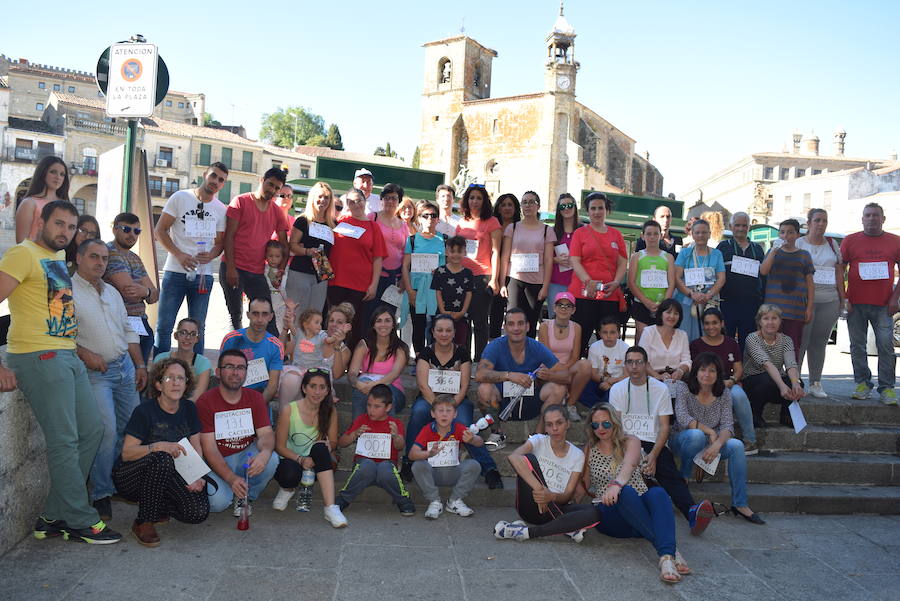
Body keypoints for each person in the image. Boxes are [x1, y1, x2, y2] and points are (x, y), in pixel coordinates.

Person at [0, 200, 122, 543]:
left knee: (92, 430)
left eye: (71, 227)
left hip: (66, 355)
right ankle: (80, 519)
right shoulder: (21, 255)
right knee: (65, 440)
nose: (65, 232)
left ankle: (53, 515)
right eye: (59, 224)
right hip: (38, 356)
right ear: (41, 220)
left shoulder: (55, 258)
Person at [494, 404, 692, 584]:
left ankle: (666, 555)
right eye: (596, 425)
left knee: (657, 494)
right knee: (619, 497)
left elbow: (630, 464)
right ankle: (669, 551)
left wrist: (616, 485)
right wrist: (565, 508)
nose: (601, 429)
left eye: (606, 423)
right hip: (615, 517)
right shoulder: (588, 451)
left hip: (641, 514)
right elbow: (580, 490)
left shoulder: (630, 441)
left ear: (614, 422)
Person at [72, 238, 145, 521]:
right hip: (96, 373)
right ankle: (101, 492)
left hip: (125, 367)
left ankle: (115, 481)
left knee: (132, 429)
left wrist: (139, 364)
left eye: (104, 258)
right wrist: (83, 352)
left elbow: (128, 329)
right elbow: (58, 334)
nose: (100, 263)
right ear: (79, 258)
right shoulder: (67, 291)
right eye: (94, 257)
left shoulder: (112, 292)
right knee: (107, 432)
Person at [609, 346, 713, 535]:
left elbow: (665, 427)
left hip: (652, 441)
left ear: (647, 364)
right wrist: (636, 454)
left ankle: (691, 512)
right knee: (634, 473)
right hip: (627, 442)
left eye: (639, 362)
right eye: (630, 362)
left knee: (668, 470)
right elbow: (617, 427)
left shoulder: (659, 389)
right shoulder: (617, 389)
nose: (634, 367)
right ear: (625, 365)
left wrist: (654, 455)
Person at [113, 358, 209, 546]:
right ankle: (144, 521)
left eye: (181, 378)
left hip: (171, 472)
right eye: (169, 378)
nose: (176, 383)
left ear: (187, 383)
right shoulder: (144, 411)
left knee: (197, 512)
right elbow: (127, 453)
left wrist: (198, 475)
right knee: (162, 457)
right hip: (131, 477)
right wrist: (158, 446)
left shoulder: (189, 408)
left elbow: (196, 445)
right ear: (158, 384)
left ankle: (158, 506)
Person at [404, 314, 502, 488]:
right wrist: (439, 408)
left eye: (448, 330)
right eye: (440, 330)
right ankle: (408, 461)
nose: (444, 334)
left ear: (454, 332)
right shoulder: (426, 353)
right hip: (429, 399)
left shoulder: (462, 353)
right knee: (418, 413)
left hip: (457, 401)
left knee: (464, 425)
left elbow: (464, 386)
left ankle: (490, 470)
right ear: (433, 332)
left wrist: (450, 408)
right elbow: (422, 384)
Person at [671, 354, 764, 524]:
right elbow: (683, 418)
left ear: (718, 373)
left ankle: (740, 503)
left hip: (711, 443)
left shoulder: (724, 393)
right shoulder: (684, 388)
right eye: (703, 370)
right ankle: (684, 475)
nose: (707, 374)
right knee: (697, 435)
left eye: (712, 370)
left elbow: (728, 426)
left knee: (736, 446)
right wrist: (710, 432)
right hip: (683, 440)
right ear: (696, 372)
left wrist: (717, 444)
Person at [153, 162, 228, 355]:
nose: (216, 182)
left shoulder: (221, 209)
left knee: (198, 330)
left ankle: (196, 373)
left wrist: (210, 255)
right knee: (164, 326)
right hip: (174, 272)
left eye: (221, 180)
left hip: (203, 276)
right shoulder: (180, 197)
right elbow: (160, 230)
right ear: (205, 174)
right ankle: (161, 369)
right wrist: (179, 254)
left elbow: (220, 243)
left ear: (223, 185)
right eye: (214, 176)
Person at [197, 349, 279, 514]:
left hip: (244, 456)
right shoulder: (205, 401)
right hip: (217, 460)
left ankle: (245, 494)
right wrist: (230, 478)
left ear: (246, 373)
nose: (235, 372)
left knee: (271, 459)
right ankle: (230, 487)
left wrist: (265, 453)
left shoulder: (255, 398)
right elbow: (209, 449)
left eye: (241, 368)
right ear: (218, 372)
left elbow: (266, 434)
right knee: (218, 503)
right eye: (229, 366)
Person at [493, 404, 589, 541]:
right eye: (549, 425)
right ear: (545, 428)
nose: (555, 428)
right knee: (528, 459)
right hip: (531, 506)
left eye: (559, 423)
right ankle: (567, 527)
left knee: (593, 511)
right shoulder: (538, 440)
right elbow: (513, 457)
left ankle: (521, 531)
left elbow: (567, 495)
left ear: (568, 423)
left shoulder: (578, 455)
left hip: (555, 508)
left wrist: (550, 497)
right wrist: (540, 490)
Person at [271, 368, 347, 526]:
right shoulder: (289, 410)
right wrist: (300, 459)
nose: (317, 391)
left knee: (321, 448)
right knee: (289, 474)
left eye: (322, 387)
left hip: (316, 457)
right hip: (291, 457)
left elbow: (333, 442)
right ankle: (287, 489)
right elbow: (279, 446)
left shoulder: (330, 411)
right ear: (304, 388)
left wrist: (328, 445)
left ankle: (330, 508)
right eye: (312, 386)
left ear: (328, 391)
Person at [840, 203, 900, 404]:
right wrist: (844, 298)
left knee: (885, 346)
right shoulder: (850, 240)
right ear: (862, 219)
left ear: (883, 219)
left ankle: (887, 388)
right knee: (857, 345)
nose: (872, 218)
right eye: (868, 215)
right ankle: (863, 383)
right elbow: (840, 269)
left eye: (876, 215)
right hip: (855, 303)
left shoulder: (895, 241)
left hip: (884, 305)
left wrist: (895, 298)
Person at [221, 167, 291, 335]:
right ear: (261, 180)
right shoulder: (240, 201)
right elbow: (228, 236)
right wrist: (231, 268)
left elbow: (284, 243)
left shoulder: (276, 211)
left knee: (268, 317)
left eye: (276, 188)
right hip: (233, 267)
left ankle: (270, 357)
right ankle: (234, 357)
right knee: (235, 316)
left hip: (257, 271)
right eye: (270, 184)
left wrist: (280, 269)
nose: (272, 190)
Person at [476, 307, 568, 426]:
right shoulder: (495, 346)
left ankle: (539, 434)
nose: (516, 328)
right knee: (484, 389)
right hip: (501, 399)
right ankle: (496, 432)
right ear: (504, 327)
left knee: (558, 388)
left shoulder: (537, 347)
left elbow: (565, 375)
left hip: (532, 399)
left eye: (520, 323)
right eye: (511, 324)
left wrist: (550, 375)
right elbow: (479, 375)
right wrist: (509, 376)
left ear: (528, 326)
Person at [336, 384, 415, 515]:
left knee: (385, 469)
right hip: (364, 464)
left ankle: (403, 499)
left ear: (388, 407)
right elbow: (342, 442)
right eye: (369, 405)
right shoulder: (361, 420)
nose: (371, 410)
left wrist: (396, 436)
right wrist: (354, 433)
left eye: (377, 406)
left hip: (386, 465)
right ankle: (344, 498)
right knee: (367, 465)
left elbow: (400, 447)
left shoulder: (394, 423)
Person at [568, 192, 627, 358]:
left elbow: (623, 262)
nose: (597, 212)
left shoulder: (616, 234)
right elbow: (575, 260)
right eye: (593, 208)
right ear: (588, 211)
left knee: (609, 342)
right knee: (579, 340)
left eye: (600, 208)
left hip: (609, 295)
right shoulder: (580, 233)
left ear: (606, 210)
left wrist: (616, 282)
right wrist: (588, 281)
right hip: (583, 294)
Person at [690, 308, 757, 454]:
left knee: (739, 396)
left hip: (727, 383)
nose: (710, 327)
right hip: (704, 385)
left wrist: (732, 381)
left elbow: (738, 369)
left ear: (722, 323)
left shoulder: (731, 343)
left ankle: (750, 441)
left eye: (714, 323)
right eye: (707, 323)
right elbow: (694, 371)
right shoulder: (695, 345)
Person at [327, 187, 387, 351]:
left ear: (365, 200)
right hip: (336, 281)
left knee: (354, 324)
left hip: (360, 284)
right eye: (351, 202)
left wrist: (374, 285)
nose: (356, 204)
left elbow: (378, 259)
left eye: (358, 200)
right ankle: (331, 359)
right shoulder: (339, 222)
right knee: (333, 322)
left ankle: (352, 360)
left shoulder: (373, 227)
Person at [409, 395, 484, 519]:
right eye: (440, 411)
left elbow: (480, 442)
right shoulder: (427, 430)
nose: (444, 415)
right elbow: (412, 454)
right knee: (418, 465)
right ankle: (435, 501)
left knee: (474, 465)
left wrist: (472, 439)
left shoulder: (459, 428)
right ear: (433, 414)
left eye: (448, 411)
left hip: (454, 472)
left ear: (455, 414)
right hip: (433, 474)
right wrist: (428, 454)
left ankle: (454, 500)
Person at [796, 208, 844, 398]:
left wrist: (843, 299)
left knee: (819, 342)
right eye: (817, 220)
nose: (820, 224)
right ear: (809, 223)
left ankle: (815, 383)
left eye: (824, 220)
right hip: (803, 300)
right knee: (801, 342)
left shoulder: (832, 244)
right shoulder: (799, 243)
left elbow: (840, 273)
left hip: (829, 300)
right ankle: (796, 381)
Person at [103, 212, 159, 364]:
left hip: (141, 322)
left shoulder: (135, 258)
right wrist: (146, 291)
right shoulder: (109, 253)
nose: (132, 235)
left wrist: (145, 291)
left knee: (139, 377)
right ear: (115, 229)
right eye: (126, 229)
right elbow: (130, 293)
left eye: (137, 231)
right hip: (120, 323)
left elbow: (154, 296)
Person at [499, 191, 556, 337]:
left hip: (536, 281)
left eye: (531, 202)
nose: (528, 205)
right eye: (524, 202)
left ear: (538, 206)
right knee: (513, 320)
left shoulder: (547, 230)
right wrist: (502, 283)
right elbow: (505, 256)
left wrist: (545, 286)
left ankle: (528, 357)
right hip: (514, 279)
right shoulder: (512, 228)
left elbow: (549, 260)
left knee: (530, 323)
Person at [457, 185, 503, 360]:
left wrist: (494, 280)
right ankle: (465, 358)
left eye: (478, 198)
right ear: (466, 201)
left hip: (482, 274)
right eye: (471, 198)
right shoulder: (462, 222)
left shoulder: (492, 222)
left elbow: (496, 252)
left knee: (480, 320)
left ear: (484, 201)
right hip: (461, 275)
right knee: (463, 319)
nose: (474, 201)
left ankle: (481, 359)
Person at [742, 304, 804, 428]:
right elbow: (766, 364)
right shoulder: (752, 338)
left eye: (774, 318)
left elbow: (791, 364)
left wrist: (795, 383)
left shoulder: (786, 340)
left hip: (775, 380)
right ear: (759, 321)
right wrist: (782, 386)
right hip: (754, 381)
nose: (770, 322)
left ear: (780, 321)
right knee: (767, 380)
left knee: (798, 382)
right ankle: (755, 414)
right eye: (766, 318)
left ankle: (786, 415)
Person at [760, 219, 814, 362]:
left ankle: (792, 380)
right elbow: (763, 271)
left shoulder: (804, 255)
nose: (786, 236)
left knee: (793, 347)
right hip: (773, 311)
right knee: (770, 347)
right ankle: (772, 381)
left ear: (797, 235)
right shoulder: (773, 252)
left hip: (795, 311)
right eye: (782, 232)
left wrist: (809, 308)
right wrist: (773, 251)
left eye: (790, 232)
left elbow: (810, 284)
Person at [537, 292, 592, 421]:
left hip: (567, 370)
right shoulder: (545, 326)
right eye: (560, 305)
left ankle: (570, 404)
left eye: (568, 306)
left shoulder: (577, 327)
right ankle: (563, 388)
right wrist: (563, 373)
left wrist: (565, 372)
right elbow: (547, 356)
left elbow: (575, 357)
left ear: (573, 310)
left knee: (585, 365)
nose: (563, 308)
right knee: (559, 384)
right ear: (554, 308)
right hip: (549, 369)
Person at [219, 297, 285, 405]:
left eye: (264, 314)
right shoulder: (231, 340)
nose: (259, 319)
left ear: (270, 317)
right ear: (248, 315)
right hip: (230, 398)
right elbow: (222, 376)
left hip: (259, 399)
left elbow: (272, 386)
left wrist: (255, 408)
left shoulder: (275, 346)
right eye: (255, 314)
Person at [400, 201, 445, 357]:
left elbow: (449, 267)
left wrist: (439, 272)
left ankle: (433, 358)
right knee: (418, 325)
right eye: (425, 215)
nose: (430, 219)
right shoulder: (412, 240)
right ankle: (420, 358)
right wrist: (410, 290)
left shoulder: (444, 240)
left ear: (438, 219)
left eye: (433, 215)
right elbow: (405, 266)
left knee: (436, 325)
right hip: (416, 289)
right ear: (419, 218)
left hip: (436, 291)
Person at [348, 306, 408, 418]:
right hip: (366, 387)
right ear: (373, 325)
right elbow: (352, 373)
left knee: (385, 396)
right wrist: (358, 384)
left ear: (393, 324)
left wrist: (373, 385)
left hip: (392, 389)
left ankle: (387, 434)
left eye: (387, 320)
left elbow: (394, 374)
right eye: (379, 321)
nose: (383, 325)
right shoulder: (363, 344)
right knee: (359, 393)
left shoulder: (400, 347)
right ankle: (357, 431)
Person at [717, 212, 765, 350]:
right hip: (728, 304)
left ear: (749, 227)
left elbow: (764, 276)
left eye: (744, 225)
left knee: (749, 343)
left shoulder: (757, 249)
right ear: (731, 226)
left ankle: (746, 371)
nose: (741, 228)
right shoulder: (723, 246)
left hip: (751, 304)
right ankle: (726, 371)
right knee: (726, 341)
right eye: (737, 225)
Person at [287, 181, 336, 315]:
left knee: (315, 317)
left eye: (327, 197)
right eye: (320, 196)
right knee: (297, 317)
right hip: (300, 273)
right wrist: (307, 251)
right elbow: (292, 245)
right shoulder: (303, 221)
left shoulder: (333, 225)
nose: (323, 200)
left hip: (321, 276)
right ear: (313, 198)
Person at [673, 218, 725, 341]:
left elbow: (721, 278)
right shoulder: (685, 253)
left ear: (709, 234)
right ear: (692, 234)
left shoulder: (716, 254)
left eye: (704, 232)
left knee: (706, 337)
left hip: (708, 303)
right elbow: (676, 277)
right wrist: (691, 294)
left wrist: (708, 295)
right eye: (697, 232)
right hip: (686, 301)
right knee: (684, 337)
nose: (701, 235)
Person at [278, 308, 339, 410]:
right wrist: (290, 315)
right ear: (306, 324)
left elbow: (328, 340)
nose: (320, 326)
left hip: (315, 367)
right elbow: (291, 325)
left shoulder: (321, 336)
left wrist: (336, 336)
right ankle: (278, 389)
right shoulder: (299, 333)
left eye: (320, 323)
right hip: (299, 367)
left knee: (327, 374)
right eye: (316, 322)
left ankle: (330, 394)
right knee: (287, 376)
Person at [627, 220, 676, 343]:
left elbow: (672, 283)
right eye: (649, 234)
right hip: (641, 304)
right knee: (642, 337)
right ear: (643, 236)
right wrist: (646, 302)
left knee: (659, 339)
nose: (652, 237)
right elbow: (631, 283)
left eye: (655, 234)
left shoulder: (668, 258)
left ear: (661, 235)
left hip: (661, 305)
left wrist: (664, 303)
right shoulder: (637, 257)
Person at [367, 183, 409, 323]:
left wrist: (404, 278)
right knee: (371, 316)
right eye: (387, 197)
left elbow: (405, 253)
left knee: (388, 318)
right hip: (374, 277)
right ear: (382, 199)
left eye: (394, 198)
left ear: (399, 201)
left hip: (394, 279)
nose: (390, 201)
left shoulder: (403, 225)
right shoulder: (372, 217)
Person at [431, 235, 474, 350]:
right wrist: (443, 311)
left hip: (461, 316)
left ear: (465, 252)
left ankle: (459, 366)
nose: (455, 255)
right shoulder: (440, 271)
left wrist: (463, 312)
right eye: (452, 251)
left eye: (459, 251)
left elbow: (469, 294)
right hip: (441, 314)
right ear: (446, 252)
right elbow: (438, 292)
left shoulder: (468, 273)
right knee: (441, 342)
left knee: (460, 343)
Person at [152, 318, 211, 401]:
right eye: (183, 332)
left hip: (189, 408)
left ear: (197, 339)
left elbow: (197, 396)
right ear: (176, 335)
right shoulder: (161, 358)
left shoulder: (203, 363)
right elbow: (154, 391)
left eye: (193, 334)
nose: (188, 337)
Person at [488, 192, 521, 340]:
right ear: (498, 208)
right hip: (493, 273)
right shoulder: (492, 226)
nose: (507, 208)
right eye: (503, 205)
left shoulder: (521, 227)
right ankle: (494, 342)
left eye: (510, 205)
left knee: (513, 313)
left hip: (514, 274)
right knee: (495, 312)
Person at [15, 155, 70, 243]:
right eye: (53, 172)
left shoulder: (66, 205)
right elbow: (21, 242)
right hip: (33, 255)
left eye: (62, 174)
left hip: (59, 256)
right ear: (43, 173)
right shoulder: (29, 203)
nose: (58, 177)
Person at [638, 299, 691, 386]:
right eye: (668, 312)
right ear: (661, 314)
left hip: (676, 380)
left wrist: (680, 371)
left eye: (676, 314)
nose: (672, 316)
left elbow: (686, 361)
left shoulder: (683, 335)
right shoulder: (648, 332)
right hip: (652, 379)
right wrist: (658, 376)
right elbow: (642, 360)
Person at [580, 315, 630, 409]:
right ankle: (601, 406)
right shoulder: (594, 347)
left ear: (618, 333)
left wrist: (611, 382)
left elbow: (627, 375)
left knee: (612, 395)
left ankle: (600, 407)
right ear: (599, 333)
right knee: (582, 390)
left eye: (612, 332)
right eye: (605, 332)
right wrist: (605, 380)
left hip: (617, 382)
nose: (608, 336)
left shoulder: (625, 348)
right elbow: (593, 373)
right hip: (599, 380)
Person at [547, 193, 582, 318]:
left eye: (570, 205)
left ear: (575, 207)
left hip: (578, 283)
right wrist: (556, 259)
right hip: (556, 282)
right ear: (558, 210)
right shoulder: (552, 231)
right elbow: (544, 257)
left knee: (576, 320)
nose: (566, 208)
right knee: (555, 319)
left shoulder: (583, 230)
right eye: (562, 206)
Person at [264, 240, 289, 335]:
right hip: (268, 304)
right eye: (270, 256)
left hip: (282, 305)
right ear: (266, 256)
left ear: (282, 257)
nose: (273, 259)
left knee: (281, 329)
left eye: (277, 256)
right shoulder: (263, 269)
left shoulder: (286, 270)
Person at [325, 303, 355, 381]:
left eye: (339, 322)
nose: (334, 324)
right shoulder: (317, 336)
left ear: (347, 327)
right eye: (331, 321)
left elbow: (336, 375)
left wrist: (337, 345)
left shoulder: (345, 351)